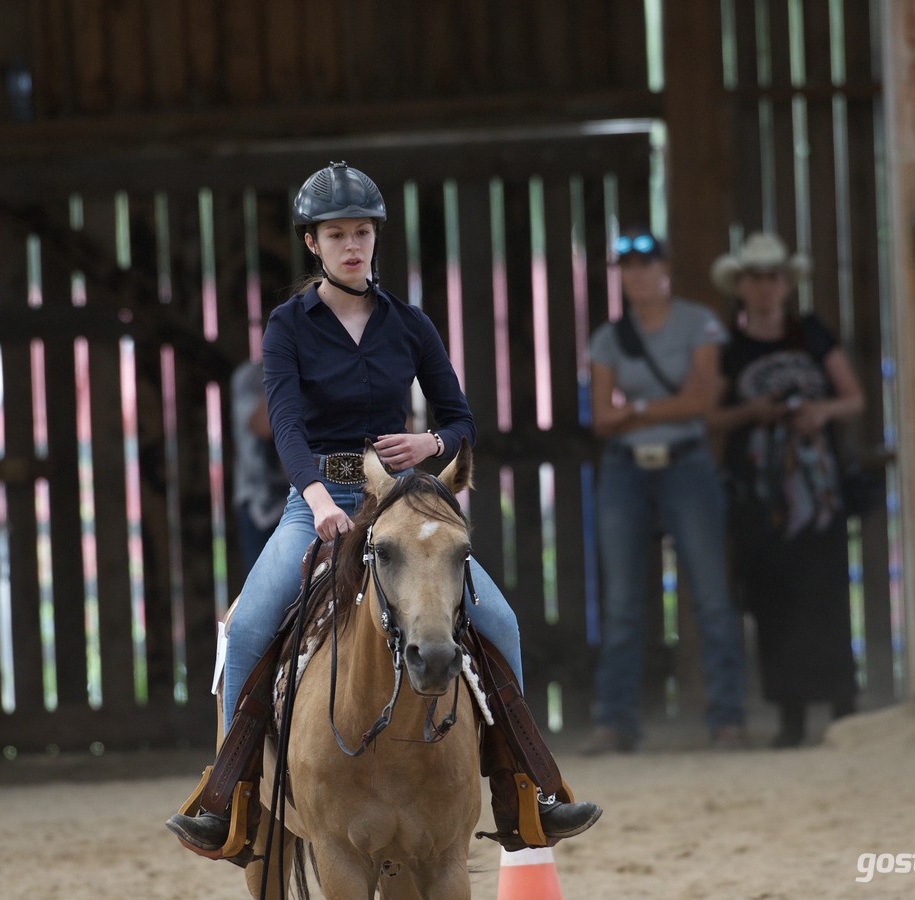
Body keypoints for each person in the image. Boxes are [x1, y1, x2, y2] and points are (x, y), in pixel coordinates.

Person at [166, 161, 600, 858]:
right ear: (313, 243)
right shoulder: (287, 325)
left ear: (374, 238)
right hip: (320, 501)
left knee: (499, 622)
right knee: (248, 624)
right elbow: (284, 426)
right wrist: (316, 500)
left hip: (402, 502)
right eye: (335, 234)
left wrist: (430, 440)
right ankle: (228, 800)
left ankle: (525, 793)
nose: (351, 246)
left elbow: (460, 419)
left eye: (361, 232)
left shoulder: (410, 323)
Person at [580, 229, 747, 754]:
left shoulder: (698, 322)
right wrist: (653, 409)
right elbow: (602, 419)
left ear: (664, 268)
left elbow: (701, 399)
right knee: (622, 603)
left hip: (686, 466)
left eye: (645, 264)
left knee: (712, 597)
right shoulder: (608, 337)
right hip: (625, 469)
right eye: (626, 267)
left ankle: (728, 719)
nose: (636, 275)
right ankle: (616, 722)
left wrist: (640, 410)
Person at [707, 233, 865, 748]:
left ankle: (845, 705)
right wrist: (756, 414)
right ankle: (791, 715)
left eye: (773, 276)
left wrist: (818, 413)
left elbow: (853, 399)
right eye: (754, 277)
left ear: (786, 283)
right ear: (741, 285)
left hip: (818, 495)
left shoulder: (813, 333)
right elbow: (713, 416)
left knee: (829, 594)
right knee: (774, 600)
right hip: (760, 497)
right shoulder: (729, 348)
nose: (765, 286)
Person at [229, 357, 289, 571]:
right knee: (261, 583)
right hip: (258, 505)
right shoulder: (249, 377)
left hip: (303, 498)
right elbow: (264, 426)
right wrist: (284, 370)